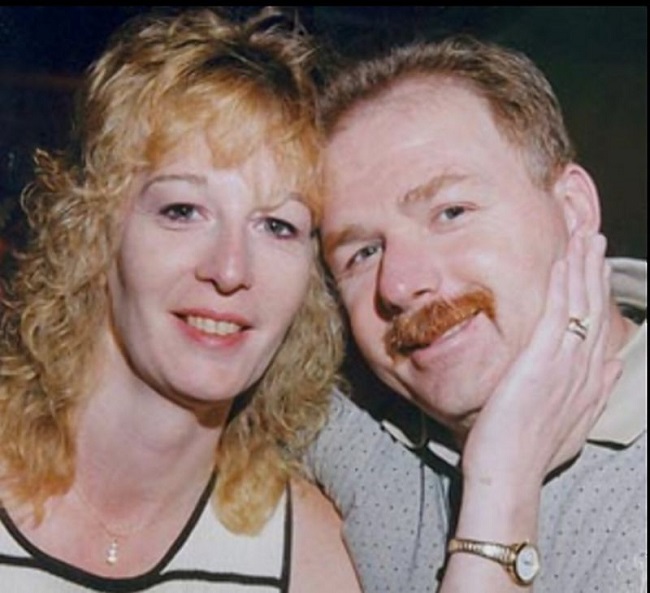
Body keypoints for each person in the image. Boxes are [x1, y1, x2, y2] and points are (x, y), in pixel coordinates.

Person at [0, 8, 362, 592]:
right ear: (95, 230)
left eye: (278, 226)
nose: (230, 270)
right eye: (183, 210)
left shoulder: (313, 561)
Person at [308, 35, 646, 592]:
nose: (399, 285)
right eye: (363, 253)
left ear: (573, 210)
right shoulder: (355, 431)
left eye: (451, 212)